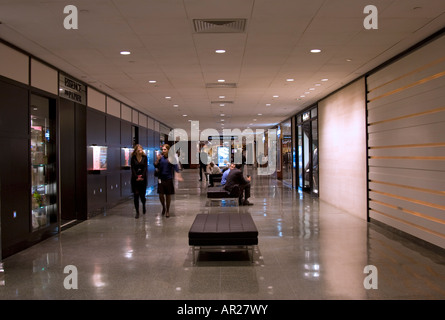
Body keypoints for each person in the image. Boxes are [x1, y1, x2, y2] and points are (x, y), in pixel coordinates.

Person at [154, 144, 183, 218]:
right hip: (161, 178)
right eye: (162, 149)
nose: (163, 151)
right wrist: (157, 160)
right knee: (161, 194)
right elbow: (155, 165)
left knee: (168, 195)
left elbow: (176, 168)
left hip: (168, 178)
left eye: (165, 149)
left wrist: (178, 176)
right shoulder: (160, 157)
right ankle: (163, 206)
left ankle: (167, 210)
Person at [131, 144, 148, 219]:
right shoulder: (133, 158)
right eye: (138, 150)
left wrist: (142, 177)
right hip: (135, 180)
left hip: (143, 179)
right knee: (136, 195)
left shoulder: (144, 157)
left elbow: (145, 168)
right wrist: (136, 177)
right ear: (136, 151)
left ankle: (144, 205)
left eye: (140, 150)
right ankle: (137, 211)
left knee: (142, 195)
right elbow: (132, 169)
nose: (139, 151)